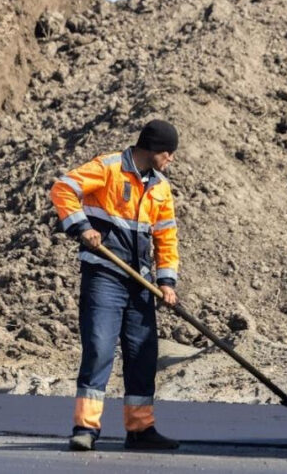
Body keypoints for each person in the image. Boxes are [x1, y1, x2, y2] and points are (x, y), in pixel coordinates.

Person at [50, 119, 181, 451]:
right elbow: (63, 188)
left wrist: (166, 282)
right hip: (105, 276)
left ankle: (140, 429)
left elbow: (166, 238)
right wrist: (82, 227)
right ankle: (85, 429)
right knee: (99, 348)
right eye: (168, 153)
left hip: (141, 284)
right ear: (152, 150)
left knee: (143, 354)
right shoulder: (107, 168)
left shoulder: (161, 187)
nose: (171, 160)